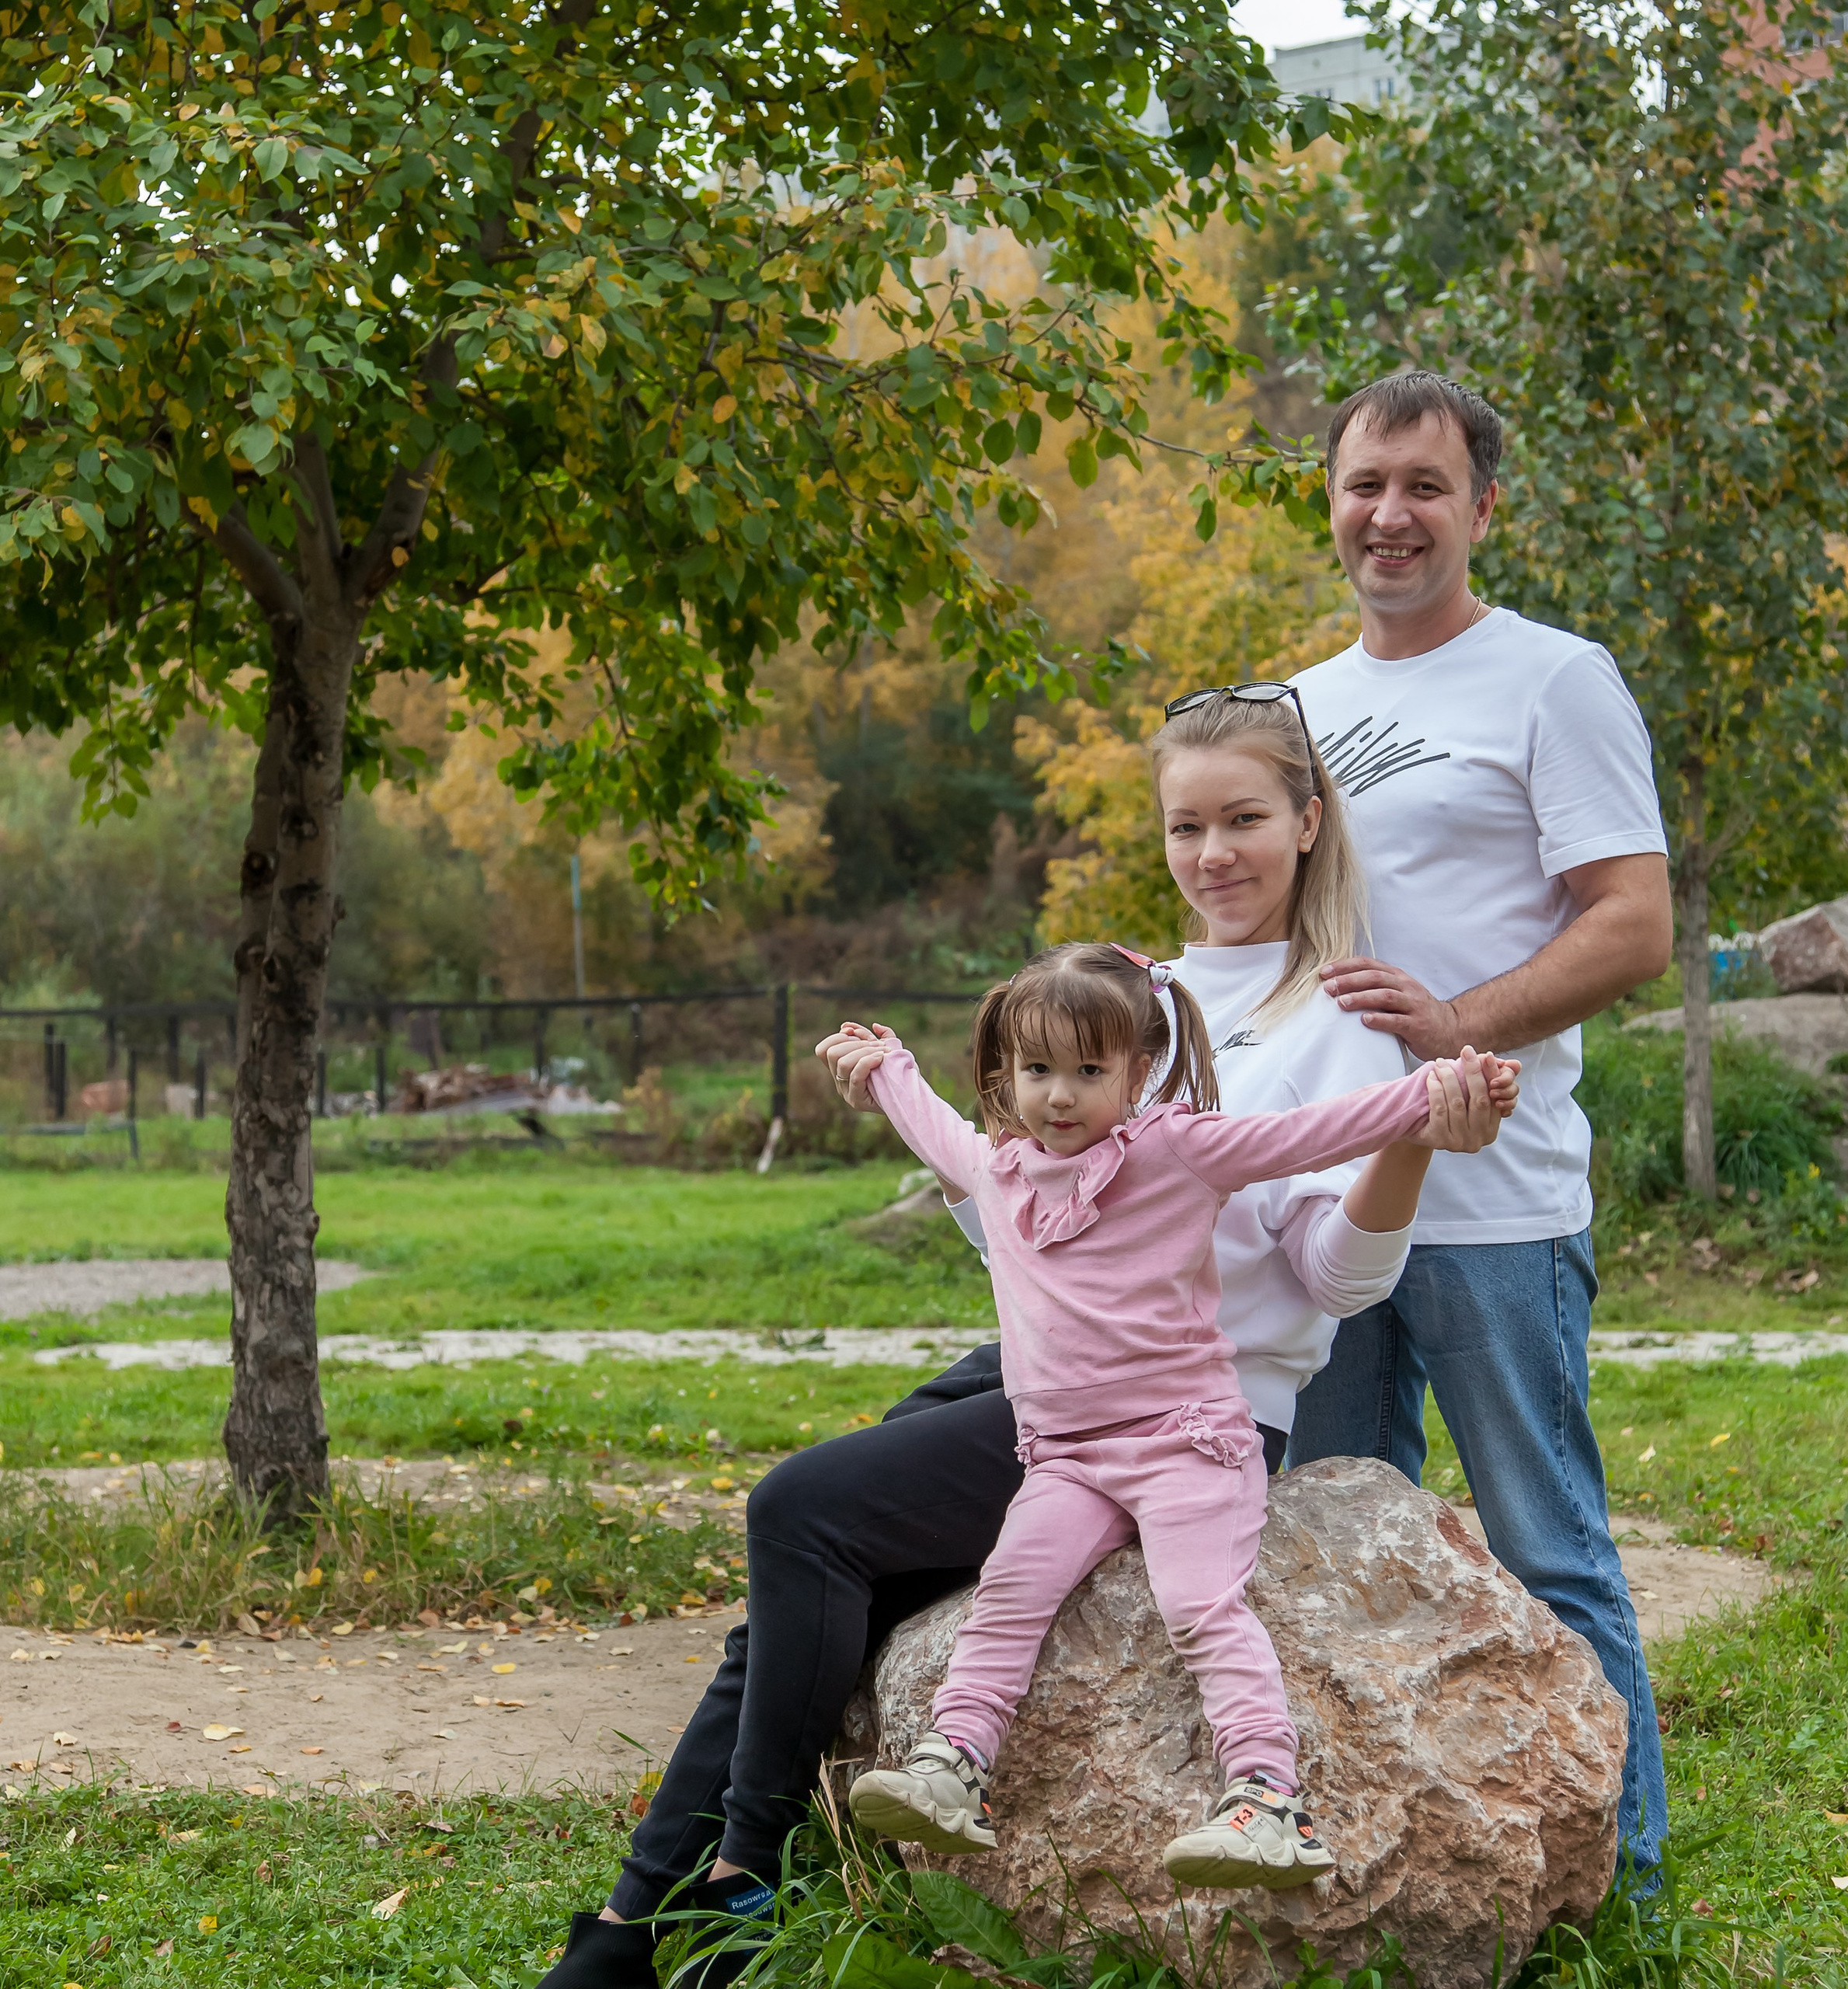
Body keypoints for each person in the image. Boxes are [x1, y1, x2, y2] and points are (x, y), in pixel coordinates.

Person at [538, 690, 1508, 1988]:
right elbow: (1019, 1231)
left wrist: (1406, 1139)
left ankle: (708, 1899)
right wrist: (954, 1145)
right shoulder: (1131, 997)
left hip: (1174, 1409)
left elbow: (1334, 1283)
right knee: (814, 1574)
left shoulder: (1347, 1022)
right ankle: (659, 1914)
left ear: (1309, 823)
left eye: (1244, 821)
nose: (1213, 854)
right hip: (1032, 1380)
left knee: (805, 1514)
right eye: (1185, 825)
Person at [826, 945, 1516, 1889]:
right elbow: (930, 1125)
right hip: (1066, 1460)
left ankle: (1269, 1800)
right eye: (1037, 1071)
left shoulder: (1178, 1149)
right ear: (1005, 1076)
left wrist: (1434, 1092)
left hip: (1185, 1442)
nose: (1060, 1096)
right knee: (1011, 1589)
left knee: (1197, 1605)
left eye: (1088, 1071)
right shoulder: (1002, 1173)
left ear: (1137, 1071)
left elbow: (1307, 1135)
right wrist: (885, 1066)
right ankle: (956, 1764)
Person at [1283, 369, 1676, 1874]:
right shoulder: (1300, 708)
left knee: (1545, 1549)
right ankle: (1369, 1870)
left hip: (1496, 1205)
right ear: (1328, 500)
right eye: (1363, 483)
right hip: (1328, 1213)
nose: (1388, 513)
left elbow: (1630, 922)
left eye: (1423, 486)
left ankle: (1615, 1873)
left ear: (1481, 509)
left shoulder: (1551, 679)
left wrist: (1458, 1025)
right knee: (1324, 1550)